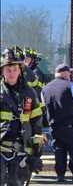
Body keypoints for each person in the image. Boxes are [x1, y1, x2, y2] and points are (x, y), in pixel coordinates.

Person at [0, 48, 44, 186]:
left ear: (20, 70)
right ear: (2, 72)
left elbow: (37, 124)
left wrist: (36, 155)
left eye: (14, 69)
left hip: (21, 154)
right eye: (8, 70)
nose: (11, 73)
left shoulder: (29, 94)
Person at [41, 63, 73, 182]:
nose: (70, 75)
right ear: (65, 74)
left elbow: (44, 104)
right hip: (70, 126)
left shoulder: (45, 89)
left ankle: (60, 175)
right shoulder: (70, 86)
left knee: (59, 150)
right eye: (69, 73)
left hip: (54, 127)